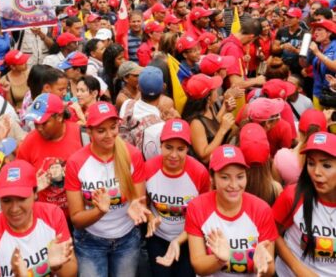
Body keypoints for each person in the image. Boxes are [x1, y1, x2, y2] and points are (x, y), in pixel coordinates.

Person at [65, 101, 150, 277]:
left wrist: (139, 208)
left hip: (127, 239)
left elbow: (139, 200)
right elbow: (76, 219)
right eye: (101, 130)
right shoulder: (76, 162)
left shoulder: (132, 155)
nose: (109, 135)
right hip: (90, 243)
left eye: (113, 127)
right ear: (89, 132)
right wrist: (99, 211)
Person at [0, 160, 77, 276]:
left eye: (22, 199)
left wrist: (57, 266)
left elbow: (70, 272)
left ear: (35, 193)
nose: (14, 209)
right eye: (6, 200)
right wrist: (42, 268)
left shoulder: (52, 215)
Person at [185, 145, 276, 276]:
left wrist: (260, 264)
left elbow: (270, 270)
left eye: (240, 177)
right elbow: (198, 266)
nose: (233, 185)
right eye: (225, 177)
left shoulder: (262, 210)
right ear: (212, 178)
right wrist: (220, 260)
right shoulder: (197, 207)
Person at [143, 119, 211, 277]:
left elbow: (203, 215)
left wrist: (180, 240)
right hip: (158, 239)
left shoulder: (199, 173)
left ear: (188, 148)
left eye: (180, 149)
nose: (174, 155)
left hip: (189, 241)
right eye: (168, 147)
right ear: (160, 145)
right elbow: (143, 203)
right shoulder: (148, 168)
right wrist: (151, 218)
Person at [273, 131, 336, 276]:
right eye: (311, 163)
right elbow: (272, 232)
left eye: (326, 165)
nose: (316, 172)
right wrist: (299, 269)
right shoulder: (293, 195)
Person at [17, 93, 83, 217]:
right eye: (36, 124)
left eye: (44, 123)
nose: (39, 128)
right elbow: (20, 183)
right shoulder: (28, 143)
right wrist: (33, 186)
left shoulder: (81, 136)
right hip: (46, 217)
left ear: (59, 117)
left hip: (80, 215)